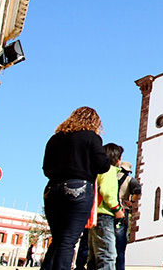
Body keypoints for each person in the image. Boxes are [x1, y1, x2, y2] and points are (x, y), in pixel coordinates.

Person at [41, 106, 111, 270]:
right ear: (94, 122)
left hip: (52, 189)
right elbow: (103, 165)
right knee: (68, 240)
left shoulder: (55, 139)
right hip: (78, 189)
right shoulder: (91, 137)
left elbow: (46, 168)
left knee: (57, 239)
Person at [88, 143, 125, 270]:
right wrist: (117, 209)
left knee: (94, 257)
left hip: (95, 216)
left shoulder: (96, 170)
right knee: (108, 255)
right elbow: (107, 191)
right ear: (117, 158)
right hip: (105, 215)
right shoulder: (109, 170)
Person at [115, 160, 142, 270]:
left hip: (107, 210)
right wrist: (131, 201)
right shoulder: (129, 180)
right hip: (122, 210)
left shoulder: (111, 176)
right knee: (120, 242)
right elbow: (138, 189)